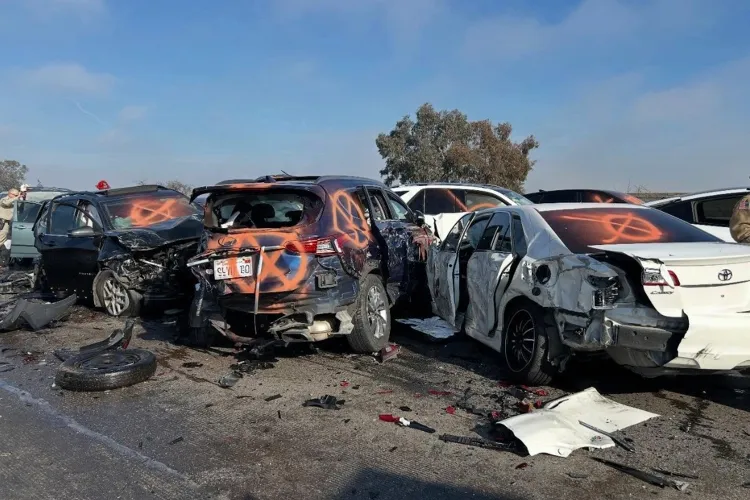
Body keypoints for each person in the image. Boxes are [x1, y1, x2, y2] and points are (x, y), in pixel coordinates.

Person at [0, 188, 20, 268]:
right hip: (2, 223)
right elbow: (7, 203)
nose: (16, 196)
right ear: (10, 194)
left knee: (4, 243)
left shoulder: (14, 201)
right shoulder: (4, 200)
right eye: (15, 195)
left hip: (8, 224)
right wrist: (17, 198)